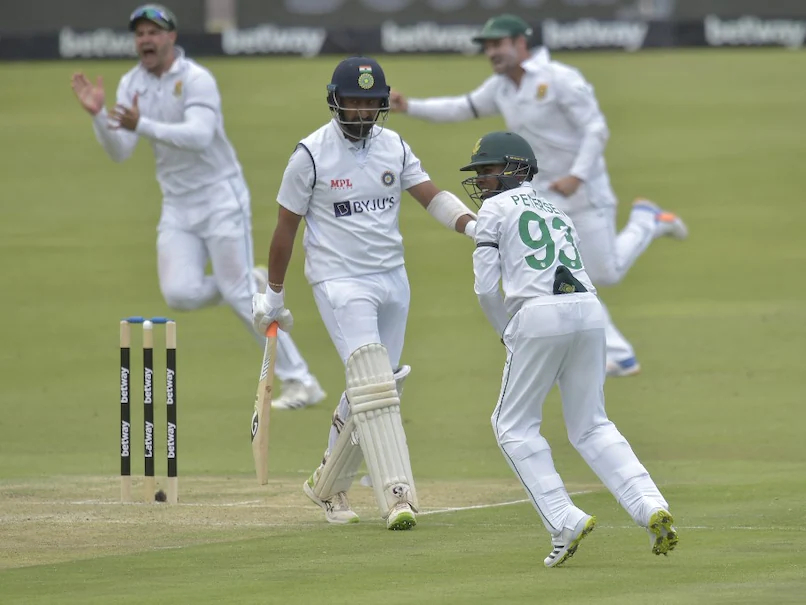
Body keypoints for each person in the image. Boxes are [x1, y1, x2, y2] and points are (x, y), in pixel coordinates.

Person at [390, 13, 688, 377]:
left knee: (605, 274)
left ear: (520, 43)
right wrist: (410, 106)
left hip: (586, 190)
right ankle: (621, 353)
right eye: (487, 47)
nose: (492, 53)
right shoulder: (501, 87)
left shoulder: (560, 78)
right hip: (544, 195)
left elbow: (596, 128)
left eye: (498, 45)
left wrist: (577, 175)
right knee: (562, 271)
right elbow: (462, 107)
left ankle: (647, 221)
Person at [251, 56, 477, 530]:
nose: (361, 112)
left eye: (370, 104)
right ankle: (396, 494)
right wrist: (273, 295)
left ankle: (327, 485)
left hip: (392, 277)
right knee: (373, 383)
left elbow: (431, 196)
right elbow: (285, 229)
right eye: (353, 102)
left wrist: (473, 227)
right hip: (339, 280)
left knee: (381, 385)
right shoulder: (309, 154)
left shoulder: (393, 146)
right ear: (335, 101)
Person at [70, 4, 324, 409]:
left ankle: (301, 380)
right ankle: (245, 282)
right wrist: (100, 115)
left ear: (171, 37)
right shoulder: (130, 83)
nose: (146, 40)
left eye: (154, 32)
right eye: (139, 34)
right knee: (180, 294)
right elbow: (121, 151)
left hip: (222, 197)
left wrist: (143, 125)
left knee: (239, 294)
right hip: (177, 204)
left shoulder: (196, 79)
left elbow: (201, 136)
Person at [462, 130, 677, 567]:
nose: (482, 180)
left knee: (513, 426)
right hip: (590, 311)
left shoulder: (492, 211)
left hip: (539, 315)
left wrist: (506, 331)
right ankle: (649, 503)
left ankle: (563, 518)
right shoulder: (556, 209)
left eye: (488, 170)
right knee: (593, 424)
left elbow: (486, 290)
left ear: (515, 167)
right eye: (480, 173)